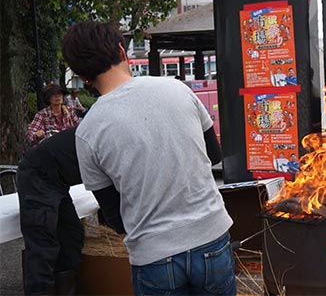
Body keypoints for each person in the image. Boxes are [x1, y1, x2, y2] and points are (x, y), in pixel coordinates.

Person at [62, 21, 235, 296]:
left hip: (153, 255)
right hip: (210, 237)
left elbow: (113, 214)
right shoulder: (177, 89)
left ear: (83, 76)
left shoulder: (87, 132)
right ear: (122, 51)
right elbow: (213, 154)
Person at [16, 127, 86, 295]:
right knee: (43, 243)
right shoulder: (112, 132)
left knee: (71, 236)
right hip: (38, 173)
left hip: (58, 181)